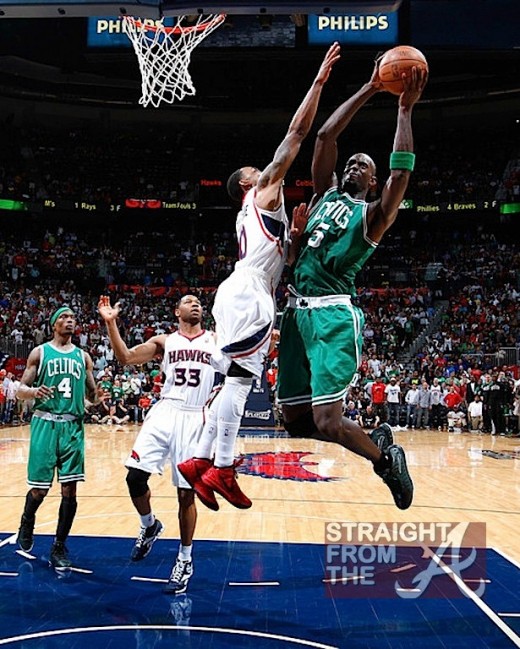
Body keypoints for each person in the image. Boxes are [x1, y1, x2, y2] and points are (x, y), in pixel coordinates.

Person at [178, 43, 342, 510]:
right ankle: (222, 467)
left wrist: (294, 238)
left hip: (244, 287)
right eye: (256, 169)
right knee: (239, 381)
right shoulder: (264, 190)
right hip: (250, 292)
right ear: (248, 183)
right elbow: (297, 132)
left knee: (234, 377)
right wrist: (318, 82)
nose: (264, 167)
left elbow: (282, 260)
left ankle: (198, 460)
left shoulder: (258, 211)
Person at [277, 56, 428, 510]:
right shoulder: (324, 195)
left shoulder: (373, 216)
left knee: (327, 421)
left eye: (363, 165)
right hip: (296, 315)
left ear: (373, 180)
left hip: (332, 316)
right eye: (352, 162)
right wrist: (370, 87)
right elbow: (325, 136)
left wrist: (403, 109)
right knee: (294, 421)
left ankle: (386, 461)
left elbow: (401, 174)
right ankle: (372, 438)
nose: (354, 166)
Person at [98, 294, 217, 595]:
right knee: (134, 477)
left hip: (195, 416)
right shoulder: (165, 342)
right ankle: (149, 524)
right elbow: (125, 357)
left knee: (186, 494)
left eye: (198, 301)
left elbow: (245, 361)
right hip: (165, 411)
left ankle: (185, 559)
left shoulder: (215, 340)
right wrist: (111, 324)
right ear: (177, 311)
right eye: (188, 301)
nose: (195, 304)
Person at [15, 306, 98, 569]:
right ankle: (27, 520)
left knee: (69, 490)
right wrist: (34, 392)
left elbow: (92, 394)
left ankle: (59, 546)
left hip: (72, 427)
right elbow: (20, 390)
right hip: (45, 423)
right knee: (40, 489)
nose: (69, 320)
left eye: (72, 317)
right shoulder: (40, 352)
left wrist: (96, 401)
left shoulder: (83, 356)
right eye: (64, 317)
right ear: (54, 324)